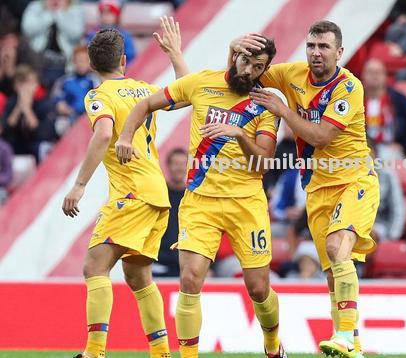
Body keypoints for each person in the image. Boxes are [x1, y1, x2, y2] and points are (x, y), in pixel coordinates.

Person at [116, 36, 287, 358]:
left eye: (259, 67)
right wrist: (126, 136)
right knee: (190, 279)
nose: (250, 70)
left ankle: (272, 345)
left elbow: (263, 163)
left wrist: (239, 135)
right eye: (246, 61)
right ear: (234, 55)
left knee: (259, 289)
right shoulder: (201, 83)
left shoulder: (265, 103)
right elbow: (146, 104)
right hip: (200, 202)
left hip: (246, 203)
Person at [233, 21, 380, 357]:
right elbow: (245, 77)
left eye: (324, 47)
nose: (316, 53)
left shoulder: (348, 87)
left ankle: (343, 334)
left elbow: (320, 136)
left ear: (339, 52)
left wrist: (282, 110)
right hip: (316, 188)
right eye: (312, 46)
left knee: (336, 247)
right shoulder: (292, 74)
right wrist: (237, 49)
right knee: (333, 273)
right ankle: (352, 348)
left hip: (354, 180)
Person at [60, 17, 187, 358]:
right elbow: (186, 94)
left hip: (131, 194)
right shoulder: (144, 89)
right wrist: (175, 53)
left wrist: (79, 185)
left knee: (94, 267)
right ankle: (161, 353)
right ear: (123, 61)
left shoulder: (99, 95)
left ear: (90, 62)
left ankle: (93, 352)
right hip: (157, 194)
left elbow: (103, 133)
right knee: (138, 275)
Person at [362, 58, 406, 159]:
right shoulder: (356, 99)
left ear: (385, 75)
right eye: (370, 72)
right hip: (363, 149)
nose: (374, 76)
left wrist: (404, 145)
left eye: (378, 72)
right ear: (363, 75)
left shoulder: (397, 98)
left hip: (389, 149)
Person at [21, 0, 85, 87]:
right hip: (38, 62)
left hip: (66, 63)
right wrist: (49, 14)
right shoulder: (36, 6)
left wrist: (59, 14)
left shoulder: (75, 8)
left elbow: (76, 33)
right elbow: (27, 29)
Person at [1, 64, 56, 162]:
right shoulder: (11, 102)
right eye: (22, 84)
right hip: (16, 146)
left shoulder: (44, 103)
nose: (26, 88)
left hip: (35, 145)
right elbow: (5, 130)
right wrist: (18, 108)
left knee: (43, 147)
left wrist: (27, 110)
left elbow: (45, 133)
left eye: (30, 83)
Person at [154, 147, 188, 278]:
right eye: (175, 164)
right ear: (168, 166)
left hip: (187, 265)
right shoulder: (157, 195)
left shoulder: (194, 197)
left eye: (183, 164)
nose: (179, 168)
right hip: (159, 264)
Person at [51, 46, 100, 133]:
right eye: (79, 60)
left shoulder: (94, 81)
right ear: (74, 62)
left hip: (88, 119)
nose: (81, 64)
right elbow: (57, 99)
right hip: (69, 118)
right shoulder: (65, 81)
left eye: (84, 61)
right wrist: (61, 106)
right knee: (60, 125)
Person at [86, 0, 136, 64]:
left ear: (116, 16)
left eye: (110, 13)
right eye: (103, 13)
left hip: (118, 69)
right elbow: (87, 55)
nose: (106, 17)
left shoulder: (125, 35)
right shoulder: (92, 34)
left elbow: (130, 57)